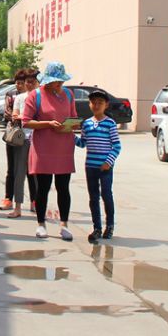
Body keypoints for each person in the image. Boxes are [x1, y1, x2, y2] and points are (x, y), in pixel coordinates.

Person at [22, 62, 77, 240]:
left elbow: (74, 117)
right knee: (43, 187)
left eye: (61, 81)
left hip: (64, 147)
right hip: (43, 147)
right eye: (56, 81)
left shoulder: (68, 94)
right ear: (47, 81)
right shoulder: (36, 95)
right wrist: (48, 124)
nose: (60, 84)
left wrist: (72, 125)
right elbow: (26, 121)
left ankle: (64, 225)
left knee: (63, 187)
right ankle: (41, 224)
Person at [75, 89, 121, 243]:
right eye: (93, 102)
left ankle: (110, 226)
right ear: (89, 104)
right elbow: (83, 143)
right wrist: (70, 136)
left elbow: (117, 146)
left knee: (106, 195)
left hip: (105, 167)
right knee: (93, 197)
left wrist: (108, 162)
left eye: (100, 103)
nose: (96, 105)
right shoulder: (87, 124)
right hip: (90, 166)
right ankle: (97, 228)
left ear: (106, 105)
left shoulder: (110, 123)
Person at [7, 69, 39, 219]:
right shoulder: (20, 97)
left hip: (39, 139)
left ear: (38, 83)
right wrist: (24, 117)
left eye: (33, 81)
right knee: (19, 173)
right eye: (27, 81)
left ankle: (37, 203)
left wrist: (25, 117)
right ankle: (18, 206)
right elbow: (15, 115)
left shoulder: (42, 98)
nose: (29, 84)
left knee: (37, 174)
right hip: (23, 138)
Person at [0, 69, 26, 211]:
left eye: (22, 83)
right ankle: (8, 198)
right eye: (17, 82)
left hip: (29, 135)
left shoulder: (33, 96)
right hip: (13, 134)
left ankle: (34, 200)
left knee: (30, 171)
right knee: (12, 168)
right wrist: (20, 117)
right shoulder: (11, 95)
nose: (19, 85)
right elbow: (8, 113)